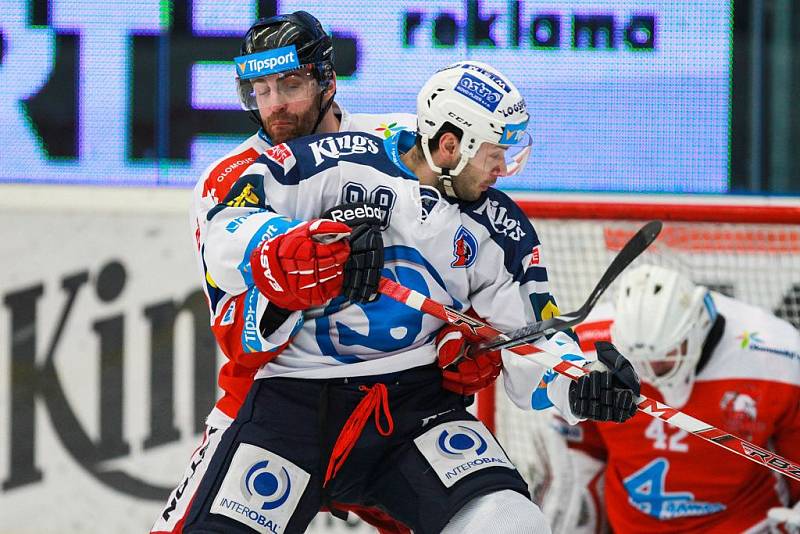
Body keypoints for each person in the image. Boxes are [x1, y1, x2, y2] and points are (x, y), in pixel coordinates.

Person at [178, 58, 641, 534]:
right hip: (288, 406)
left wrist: (580, 381)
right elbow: (228, 226)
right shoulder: (332, 162)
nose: (503, 168)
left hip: (412, 415)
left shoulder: (500, 230)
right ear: (449, 146)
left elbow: (529, 334)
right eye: (494, 153)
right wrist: (293, 245)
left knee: (512, 525)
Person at [151, 11, 415, 534]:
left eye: (290, 84)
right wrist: (290, 278)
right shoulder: (227, 182)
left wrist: (464, 337)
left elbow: (467, 251)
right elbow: (238, 337)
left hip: (391, 409)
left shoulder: (400, 147)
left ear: (327, 79)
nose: (274, 106)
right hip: (270, 406)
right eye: (260, 89)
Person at [556, 264, 800, 533]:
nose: (653, 368)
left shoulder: (776, 353)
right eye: (643, 359)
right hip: (632, 526)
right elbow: (577, 434)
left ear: (697, 326)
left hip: (744, 525)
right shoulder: (585, 342)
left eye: (668, 352)